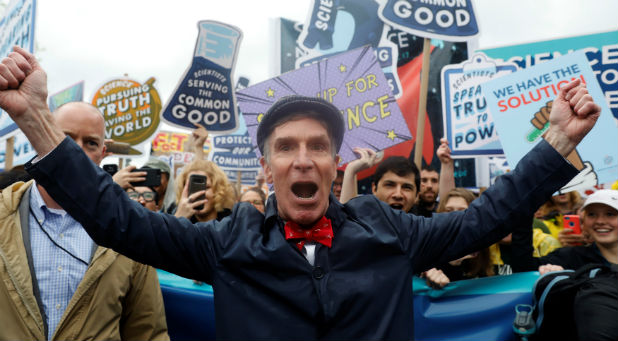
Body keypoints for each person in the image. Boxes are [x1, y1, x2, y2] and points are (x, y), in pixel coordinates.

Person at [0, 46, 601, 339]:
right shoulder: (227, 243)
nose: (303, 158)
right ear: (266, 169)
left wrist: (555, 142)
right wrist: (35, 121)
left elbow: (485, 218)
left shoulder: (387, 230)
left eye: (318, 146)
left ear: (336, 162)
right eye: (286, 147)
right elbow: (117, 222)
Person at [0, 101, 168, 340]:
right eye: (64, 137)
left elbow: (147, 332)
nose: (75, 150)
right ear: (39, 141)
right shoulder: (3, 214)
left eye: (90, 143)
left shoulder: (129, 229)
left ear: (102, 153)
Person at [512, 189, 617, 274]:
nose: (600, 221)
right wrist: (524, 209)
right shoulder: (571, 257)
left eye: (610, 214)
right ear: (584, 222)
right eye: (592, 214)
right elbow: (524, 268)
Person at [423, 188, 494, 288]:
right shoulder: (429, 248)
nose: (454, 217)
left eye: (462, 211)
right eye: (449, 211)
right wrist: (451, 265)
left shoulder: (480, 247)